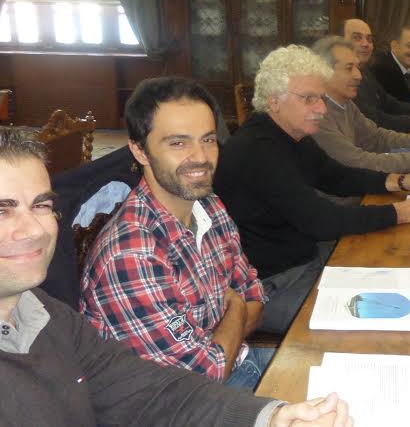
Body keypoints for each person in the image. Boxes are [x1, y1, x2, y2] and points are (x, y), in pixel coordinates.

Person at [0, 125, 351, 426]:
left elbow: (151, 390)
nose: (34, 230)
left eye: (41, 205)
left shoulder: (41, 312)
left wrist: (272, 417)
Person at [214, 45, 410, 335]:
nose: (321, 109)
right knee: (383, 324)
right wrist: (401, 212)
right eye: (309, 99)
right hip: (272, 285)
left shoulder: (291, 134)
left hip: (302, 258)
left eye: (321, 98)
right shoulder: (257, 151)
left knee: (404, 273)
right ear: (274, 101)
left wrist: (400, 181)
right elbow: (321, 220)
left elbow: (335, 176)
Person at [79, 78, 271, 390]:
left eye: (208, 139)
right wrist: (235, 309)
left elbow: (255, 295)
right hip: (185, 404)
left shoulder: (208, 205)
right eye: (178, 143)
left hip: (239, 363)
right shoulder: (132, 253)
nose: (201, 157)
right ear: (140, 151)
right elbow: (206, 374)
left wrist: (224, 335)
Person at [312, 35, 410, 173]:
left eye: (357, 67)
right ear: (324, 72)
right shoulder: (316, 116)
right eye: (349, 68)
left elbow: (376, 137)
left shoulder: (345, 103)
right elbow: (359, 161)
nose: (358, 76)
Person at [344, 19, 410, 132]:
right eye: (357, 38)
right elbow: (375, 121)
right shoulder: (343, 78)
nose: (365, 44)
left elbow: (387, 101)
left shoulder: (364, 70)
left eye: (369, 39)